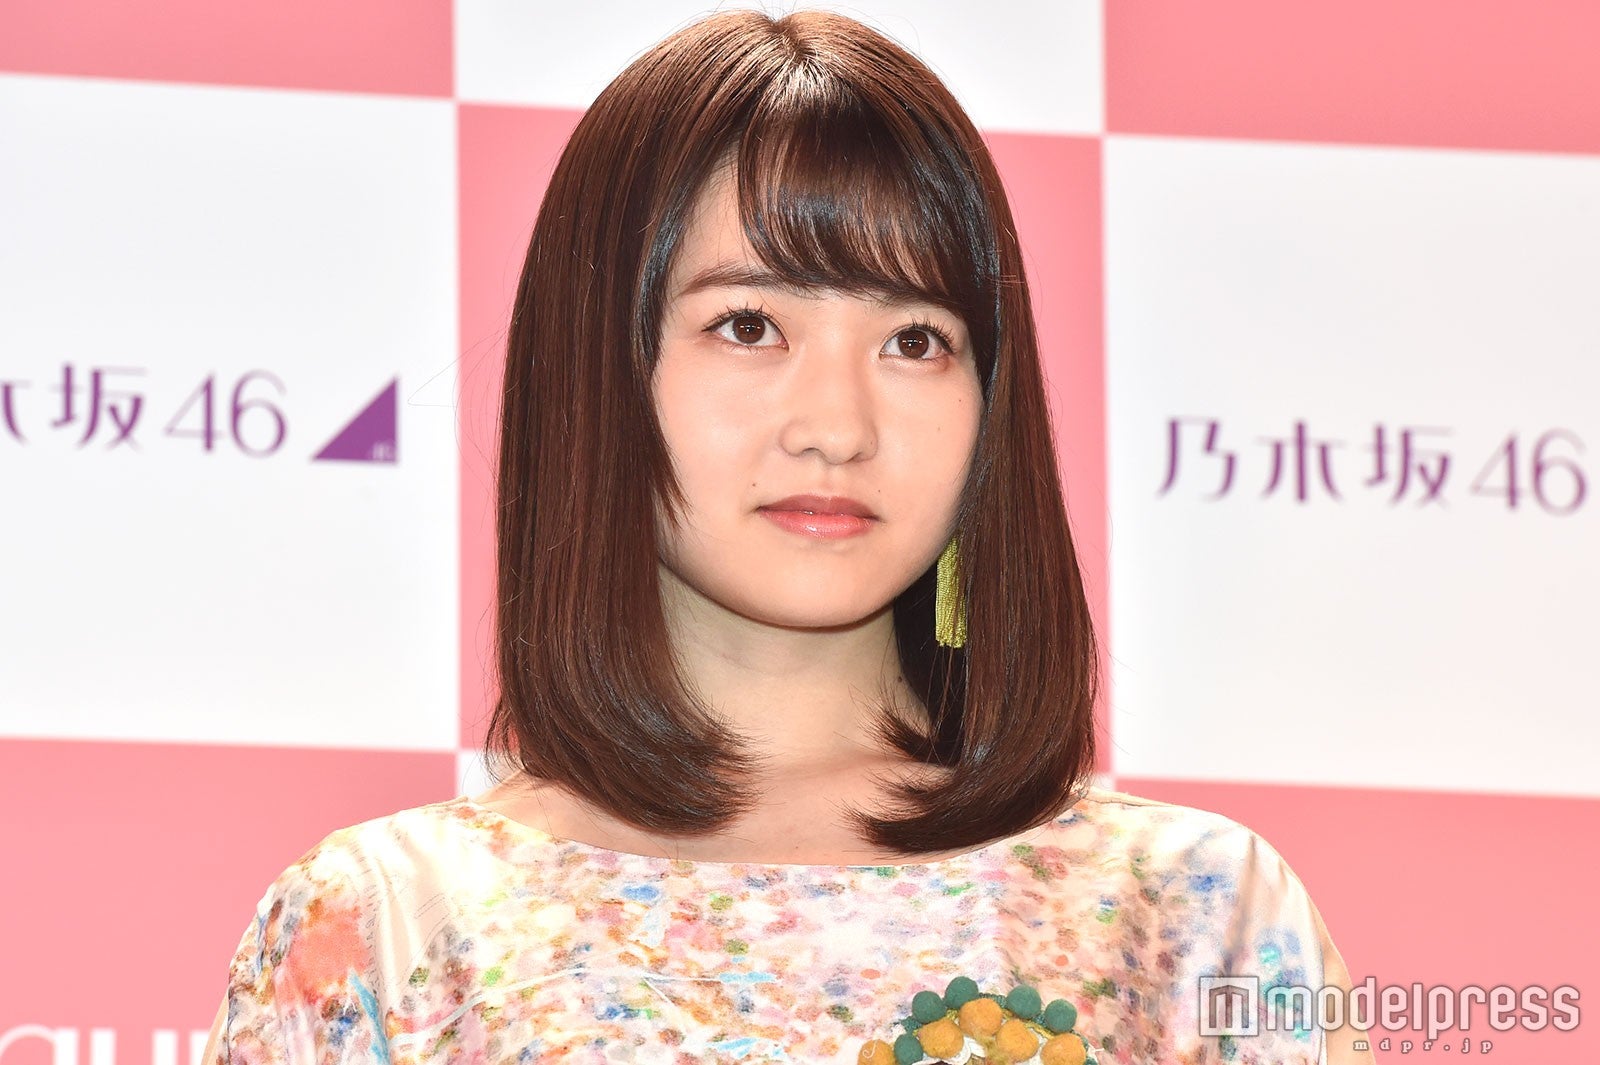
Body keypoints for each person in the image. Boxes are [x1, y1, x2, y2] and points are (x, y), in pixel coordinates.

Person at [203, 9, 1374, 1064]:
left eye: (914, 340)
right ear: (598, 366)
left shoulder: (1195, 913)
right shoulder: (385, 926)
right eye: (749, 324)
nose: (836, 427)